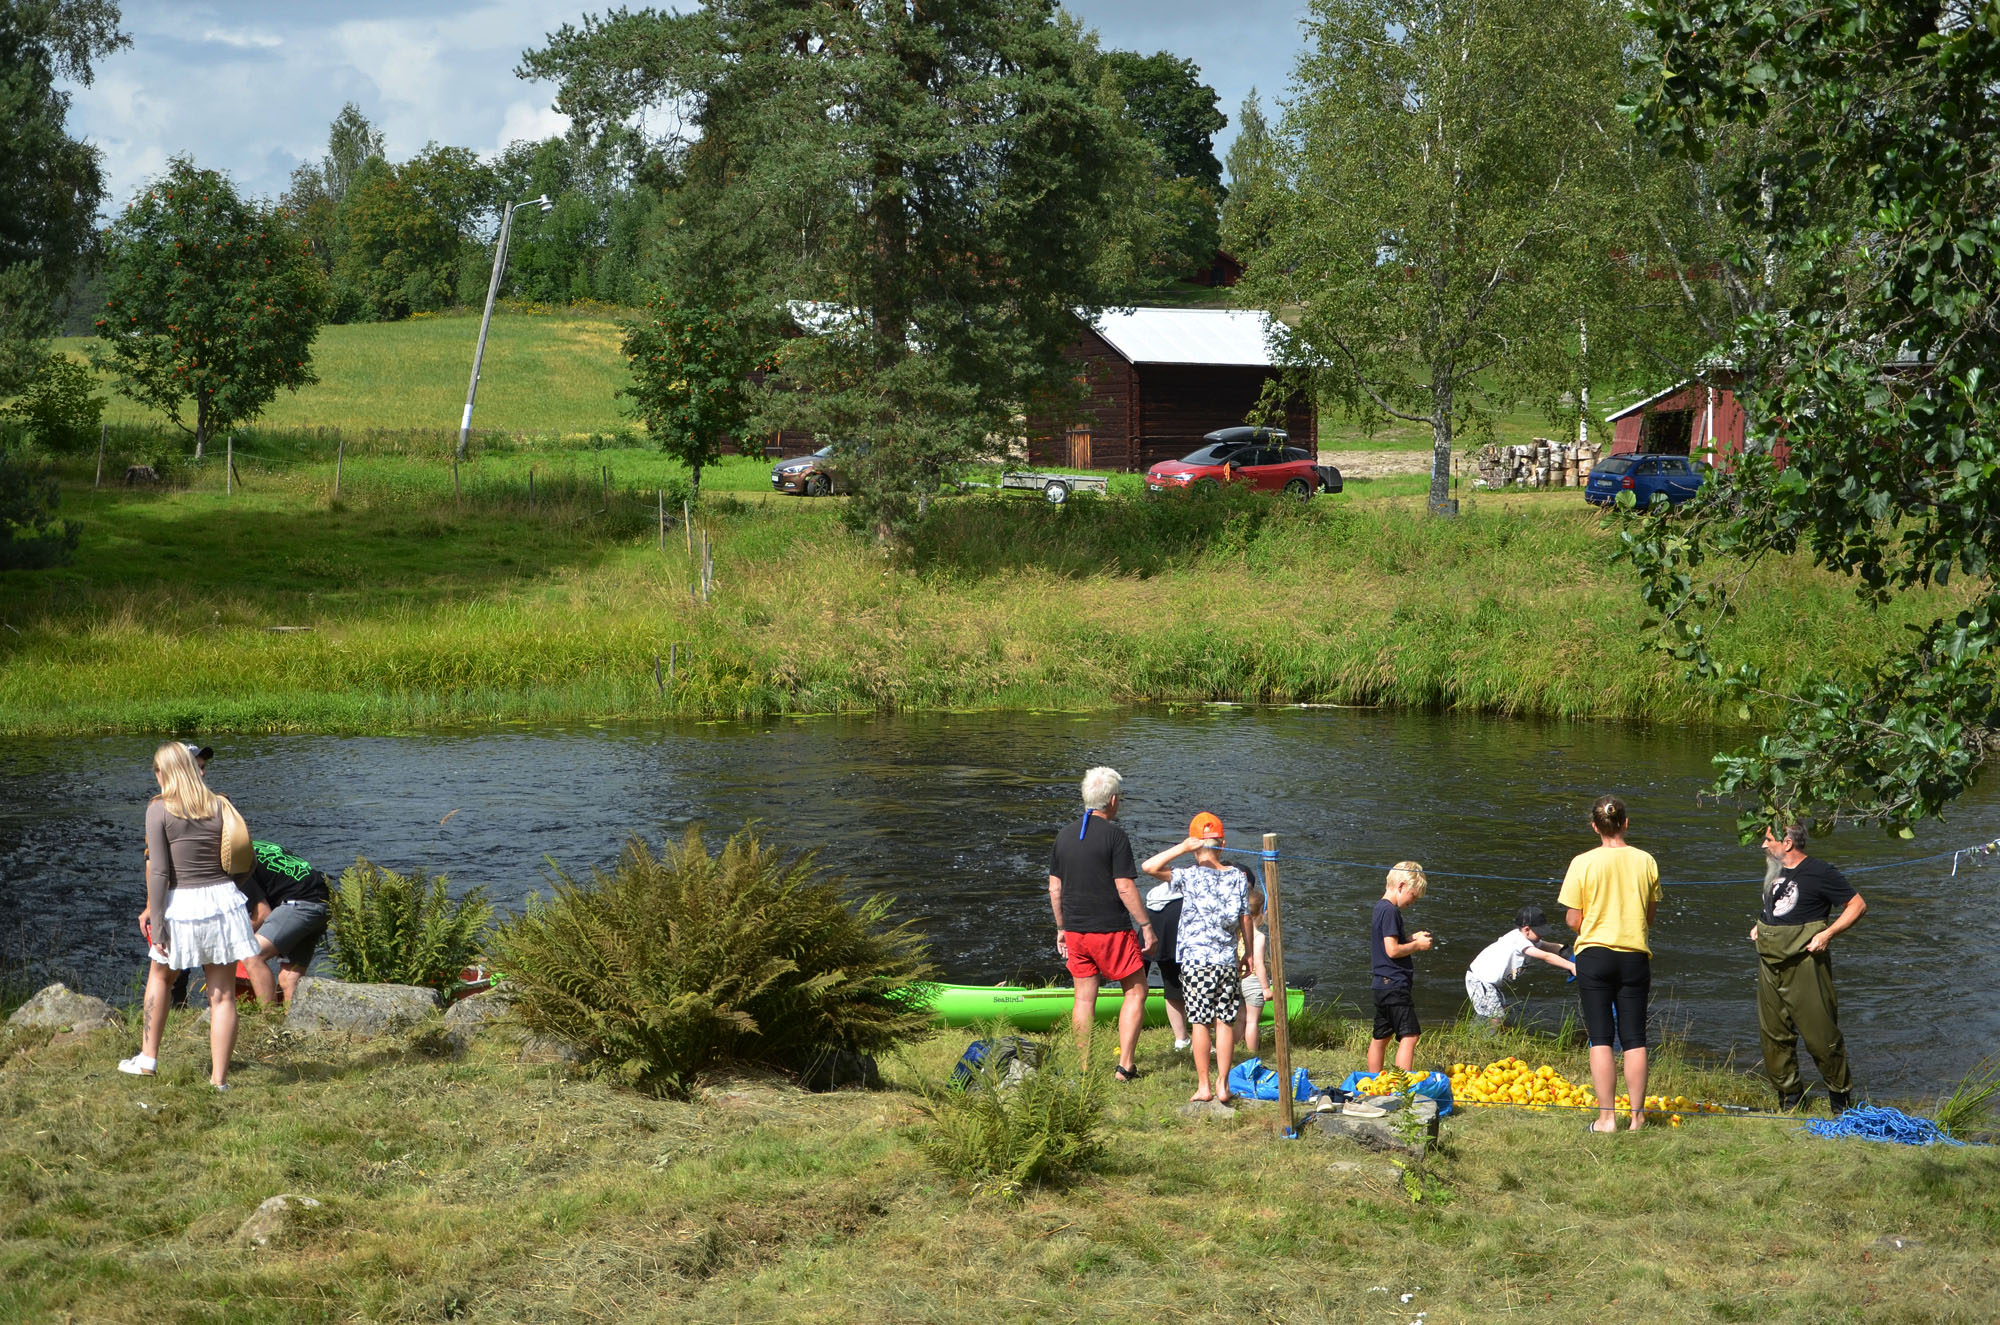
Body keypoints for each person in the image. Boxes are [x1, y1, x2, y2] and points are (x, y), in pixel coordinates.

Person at [121, 742, 264, 1089]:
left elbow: (158, 872)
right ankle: (219, 1081)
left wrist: (157, 918)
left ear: (163, 772)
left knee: (160, 977)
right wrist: (232, 888)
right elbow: (246, 857)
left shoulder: (158, 810)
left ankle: (148, 1059)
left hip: (180, 903)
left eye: (156, 770)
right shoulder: (219, 804)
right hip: (222, 901)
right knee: (223, 994)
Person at [1558, 795, 1661, 1133]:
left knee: (1600, 1037)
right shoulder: (1646, 860)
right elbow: (1649, 914)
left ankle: (1606, 1119)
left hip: (1595, 954)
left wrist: (1590, 919)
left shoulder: (1582, 862)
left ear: (1594, 827)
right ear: (1626, 823)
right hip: (1634, 955)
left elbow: (1574, 919)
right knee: (1635, 1038)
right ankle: (1637, 1118)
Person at [1048, 766, 1156, 1081]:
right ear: (1111, 800)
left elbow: (1055, 888)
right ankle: (1125, 1066)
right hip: (1111, 929)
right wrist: (1146, 925)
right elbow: (1124, 886)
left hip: (1076, 931)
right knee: (1136, 990)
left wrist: (1061, 928)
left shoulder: (1064, 835)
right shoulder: (1115, 835)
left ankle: (1084, 1068)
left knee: (1083, 997)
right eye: (1119, 797)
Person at [1754, 823, 1866, 1112]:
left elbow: (1857, 906)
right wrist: (1760, 925)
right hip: (1769, 961)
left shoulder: (1821, 872)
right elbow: (1780, 910)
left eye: (1768, 839)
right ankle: (1790, 1101)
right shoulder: (1774, 871)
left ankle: (1841, 1106)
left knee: (1821, 1036)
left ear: (1788, 842)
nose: (1763, 845)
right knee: (1774, 1036)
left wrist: (1827, 934)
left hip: (1805, 962)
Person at [1141, 813, 1253, 1103]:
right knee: (1224, 1022)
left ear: (1194, 844)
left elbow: (1149, 867)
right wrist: (1250, 953)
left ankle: (1204, 1086)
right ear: (1223, 844)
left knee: (1200, 1023)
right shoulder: (1238, 877)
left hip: (1195, 961)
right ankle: (1223, 1086)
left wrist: (1181, 847)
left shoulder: (1188, 876)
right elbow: (1245, 919)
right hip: (1226, 959)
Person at [240, 840, 332, 1005]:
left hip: (298, 905)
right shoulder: (256, 845)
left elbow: (262, 914)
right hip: (323, 902)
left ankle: (268, 1020)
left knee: (251, 954)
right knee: (290, 977)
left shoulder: (235, 862)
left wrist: (232, 944)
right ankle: (293, 1025)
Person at [1367, 861, 1433, 1074]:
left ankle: (1374, 1080)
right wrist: (1417, 945)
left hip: (1381, 984)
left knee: (1382, 1036)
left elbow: (1387, 942)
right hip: (1395, 984)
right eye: (1413, 896)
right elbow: (1393, 951)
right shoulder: (1391, 911)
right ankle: (1402, 1087)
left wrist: (1410, 937)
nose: (1412, 902)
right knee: (1410, 1035)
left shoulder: (1380, 908)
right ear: (1402, 886)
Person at [1465, 905, 1576, 1029]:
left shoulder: (1530, 939)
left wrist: (1572, 952)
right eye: (1539, 932)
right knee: (1495, 1016)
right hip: (1480, 980)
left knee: (1501, 1011)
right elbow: (1546, 956)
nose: (1541, 936)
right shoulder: (1518, 940)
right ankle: (1484, 1040)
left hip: (1490, 983)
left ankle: (1482, 1033)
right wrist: (1571, 966)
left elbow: (1551, 947)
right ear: (1527, 929)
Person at [1143, 876, 1192, 1051]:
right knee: (1199, 986)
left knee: (1171, 983)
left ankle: (1181, 1039)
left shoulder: (1167, 886)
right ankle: (1201, 1038)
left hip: (1150, 924)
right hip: (1176, 928)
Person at [1234, 882, 1272, 1054]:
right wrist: (1265, 988)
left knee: (1241, 1018)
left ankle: (1233, 1047)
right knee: (1252, 1021)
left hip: (1240, 979)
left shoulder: (1238, 933)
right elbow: (1258, 963)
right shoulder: (1259, 937)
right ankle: (1252, 1053)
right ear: (1262, 913)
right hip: (1254, 981)